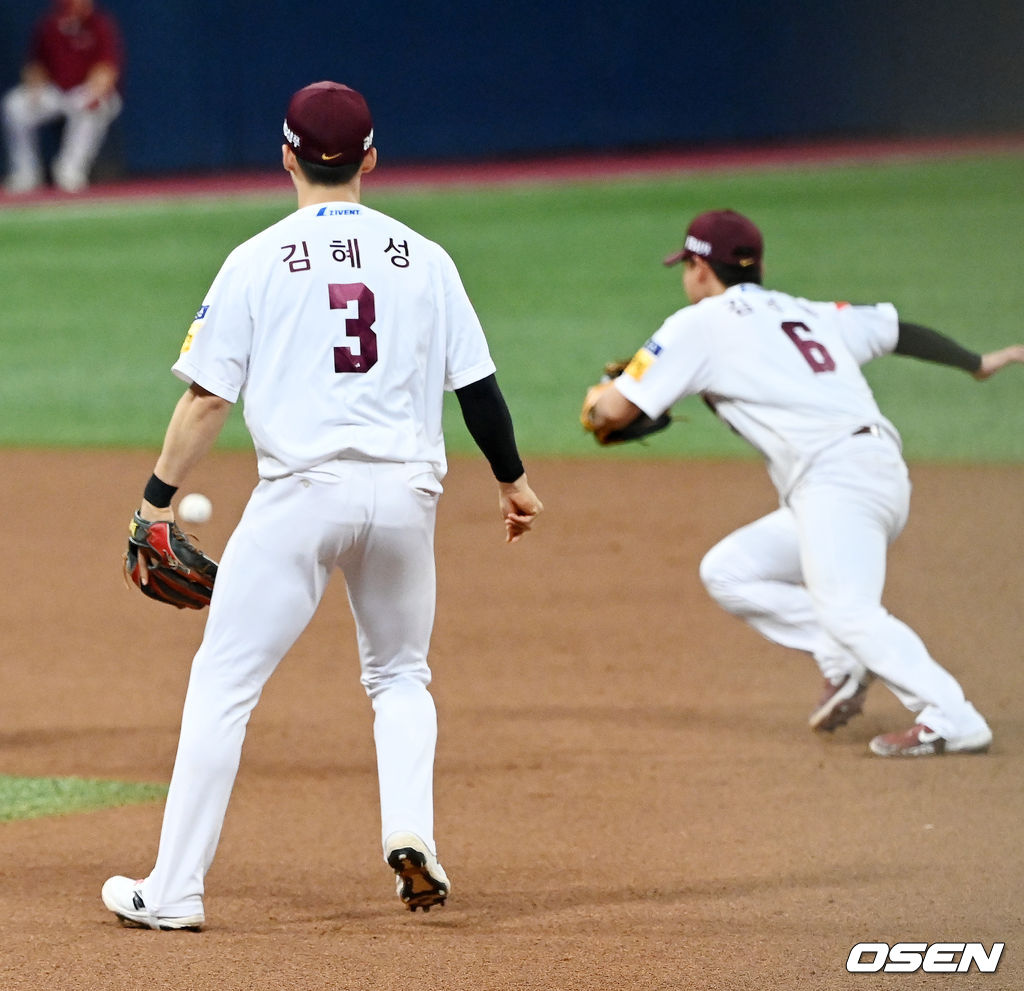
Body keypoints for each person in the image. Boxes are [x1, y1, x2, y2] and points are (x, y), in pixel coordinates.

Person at [101, 81, 543, 931]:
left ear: (286, 156)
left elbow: (205, 402)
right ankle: (412, 833)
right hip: (406, 497)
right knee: (401, 675)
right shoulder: (426, 257)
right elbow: (478, 388)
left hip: (301, 496)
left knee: (224, 683)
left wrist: (155, 495)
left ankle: (176, 890)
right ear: (371, 158)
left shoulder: (257, 258)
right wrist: (511, 478)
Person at [582, 208, 1024, 758]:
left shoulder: (697, 324)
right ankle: (842, 657)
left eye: (686, 265)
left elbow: (614, 412)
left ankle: (951, 715)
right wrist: (974, 362)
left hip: (838, 482)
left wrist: (603, 400)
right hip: (866, 475)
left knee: (850, 610)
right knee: (731, 571)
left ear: (699, 267)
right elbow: (896, 330)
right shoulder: (807, 311)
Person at [2, 0, 123, 194]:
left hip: (89, 90)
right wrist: (34, 87)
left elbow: (107, 68)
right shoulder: (50, 24)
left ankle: (70, 171)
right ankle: (25, 173)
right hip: (57, 92)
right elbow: (35, 64)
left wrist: (94, 90)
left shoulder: (100, 24)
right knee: (14, 105)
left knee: (91, 105)